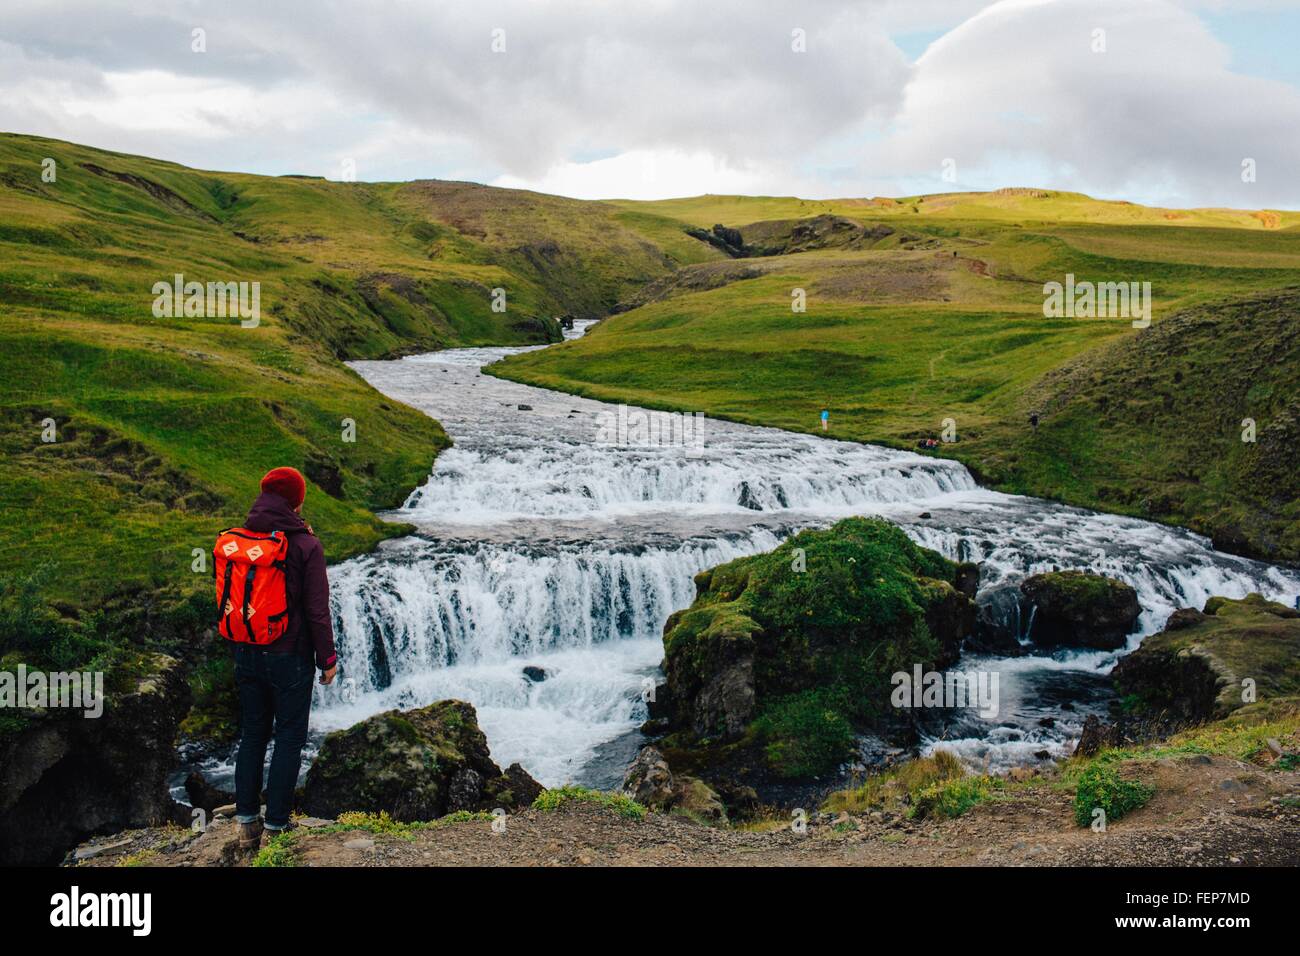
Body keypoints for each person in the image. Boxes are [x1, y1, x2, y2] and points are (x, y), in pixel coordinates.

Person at [216, 466, 337, 852]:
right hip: (289, 656)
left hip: (247, 652)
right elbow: (318, 611)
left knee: (252, 735)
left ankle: (247, 825)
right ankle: (278, 826)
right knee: (288, 738)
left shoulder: (243, 539)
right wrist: (328, 658)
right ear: (295, 500)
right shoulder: (305, 546)